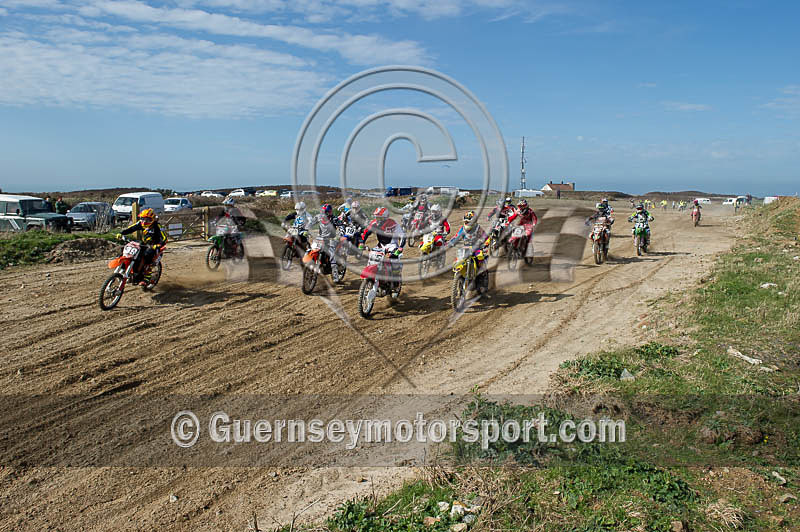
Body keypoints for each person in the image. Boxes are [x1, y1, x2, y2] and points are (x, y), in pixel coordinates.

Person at [117, 208, 167, 285]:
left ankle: (147, 277)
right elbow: (131, 228)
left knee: (148, 256)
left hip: (155, 246)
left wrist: (158, 245)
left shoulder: (157, 227)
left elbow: (164, 238)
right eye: (143, 219)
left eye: (147, 220)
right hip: (144, 244)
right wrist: (121, 233)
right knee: (130, 251)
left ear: (153, 220)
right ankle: (125, 268)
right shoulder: (140, 224)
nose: (144, 222)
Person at [447, 211, 490, 297]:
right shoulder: (463, 229)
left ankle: (482, 286)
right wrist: (450, 243)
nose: (467, 223)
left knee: (481, 262)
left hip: (477, 248)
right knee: (458, 261)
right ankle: (459, 279)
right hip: (465, 249)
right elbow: (456, 237)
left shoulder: (478, 228)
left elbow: (486, 237)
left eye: (469, 221)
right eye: (466, 221)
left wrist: (486, 243)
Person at [360, 207, 404, 283]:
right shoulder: (374, 223)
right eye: (376, 217)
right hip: (381, 245)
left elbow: (403, 236)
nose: (377, 220)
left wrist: (400, 247)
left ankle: (396, 279)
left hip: (392, 245)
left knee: (394, 260)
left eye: (380, 218)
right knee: (371, 256)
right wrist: (362, 242)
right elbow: (366, 233)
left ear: (386, 218)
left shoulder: (393, 224)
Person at [310, 203, 344, 268]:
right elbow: (311, 223)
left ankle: (334, 267)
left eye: (331, 211)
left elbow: (341, 226)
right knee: (312, 248)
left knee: (332, 254)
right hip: (320, 238)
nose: (331, 213)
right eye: (329, 211)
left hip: (331, 239)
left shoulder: (334, 219)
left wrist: (342, 232)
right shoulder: (319, 218)